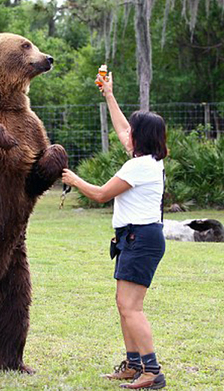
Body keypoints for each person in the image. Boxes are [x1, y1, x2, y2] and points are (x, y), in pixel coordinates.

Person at [62, 72, 168, 390]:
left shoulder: (138, 167)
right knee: (124, 305)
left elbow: (100, 194)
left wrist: (73, 179)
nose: (127, 132)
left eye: (134, 130)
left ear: (141, 137)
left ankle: (152, 371)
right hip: (133, 239)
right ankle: (133, 364)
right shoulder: (148, 158)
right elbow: (122, 129)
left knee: (131, 307)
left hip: (141, 238)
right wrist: (109, 94)